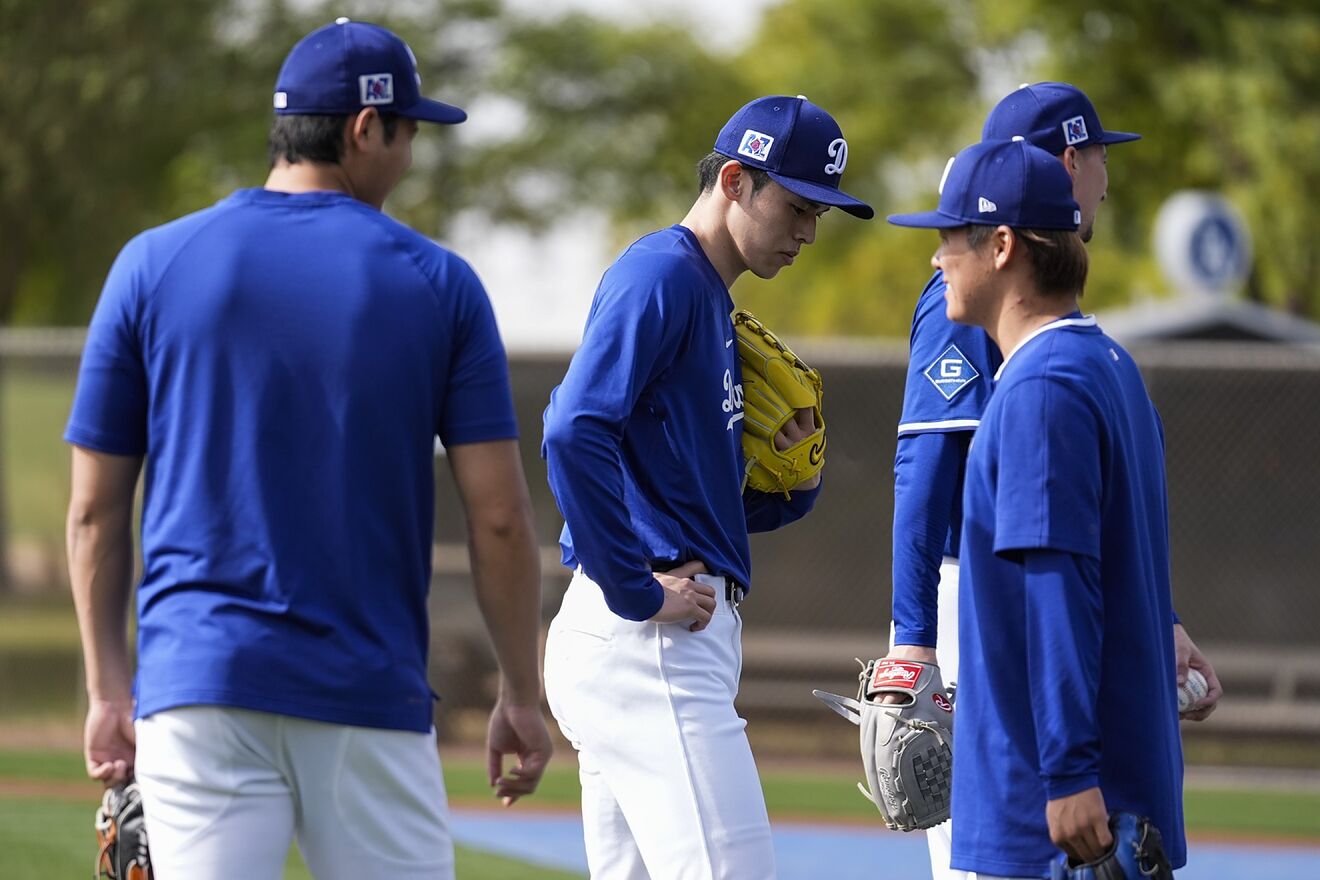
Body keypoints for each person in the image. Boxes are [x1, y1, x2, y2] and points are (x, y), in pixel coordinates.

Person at [64, 18, 551, 880]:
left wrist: (109, 692)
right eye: (408, 134)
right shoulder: (439, 284)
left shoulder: (150, 265)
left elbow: (95, 511)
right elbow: (503, 520)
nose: (407, 158)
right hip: (366, 693)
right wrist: (520, 691)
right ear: (366, 129)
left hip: (199, 684)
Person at [884, 83, 1221, 878]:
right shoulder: (1110, 363)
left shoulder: (1038, 388)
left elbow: (1056, 581)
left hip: (1049, 802)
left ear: (1002, 246)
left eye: (952, 237)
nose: (938, 256)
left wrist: (1068, 772)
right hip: (1117, 778)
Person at [541, 95, 873, 879]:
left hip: (650, 639)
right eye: (795, 206)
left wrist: (790, 489)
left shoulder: (704, 296)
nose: (808, 232)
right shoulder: (663, 276)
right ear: (735, 180)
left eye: (819, 212)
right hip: (650, 644)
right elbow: (571, 430)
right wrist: (635, 589)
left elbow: (679, 488)